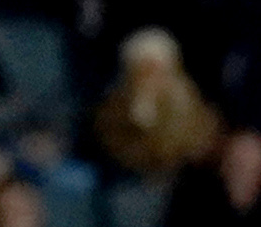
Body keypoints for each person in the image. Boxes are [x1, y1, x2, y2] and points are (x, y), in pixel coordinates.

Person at [93, 28, 219, 184]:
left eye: (158, 71)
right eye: (145, 72)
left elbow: (196, 148)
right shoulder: (113, 113)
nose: (152, 80)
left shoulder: (196, 115)